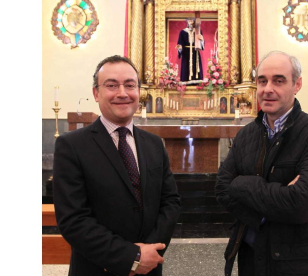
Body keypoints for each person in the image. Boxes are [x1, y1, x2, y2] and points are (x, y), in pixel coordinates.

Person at [53, 55, 181, 276]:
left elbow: (170, 202)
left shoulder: (154, 144)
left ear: (139, 92)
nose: (122, 93)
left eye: (130, 85)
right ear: (96, 93)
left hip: (149, 268)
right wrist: (131, 257)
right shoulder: (71, 146)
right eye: (111, 85)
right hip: (97, 268)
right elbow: (73, 219)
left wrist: (149, 252)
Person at [215, 51, 308, 276]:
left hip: (300, 261)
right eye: (262, 81)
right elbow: (222, 189)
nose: (267, 89)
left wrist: (241, 184)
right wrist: (276, 202)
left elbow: (300, 206)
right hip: (251, 257)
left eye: (278, 80)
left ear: (297, 84)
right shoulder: (246, 135)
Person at [176, 18, 204, 84]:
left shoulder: (197, 31)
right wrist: (179, 47)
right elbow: (180, 43)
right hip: (186, 53)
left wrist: (202, 39)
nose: (191, 22)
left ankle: (197, 82)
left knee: (196, 67)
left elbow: (201, 44)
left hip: (195, 52)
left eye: (192, 20)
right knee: (186, 67)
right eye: (189, 20)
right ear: (187, 22)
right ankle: (185, 82)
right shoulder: (183, 32)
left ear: (194, 22)